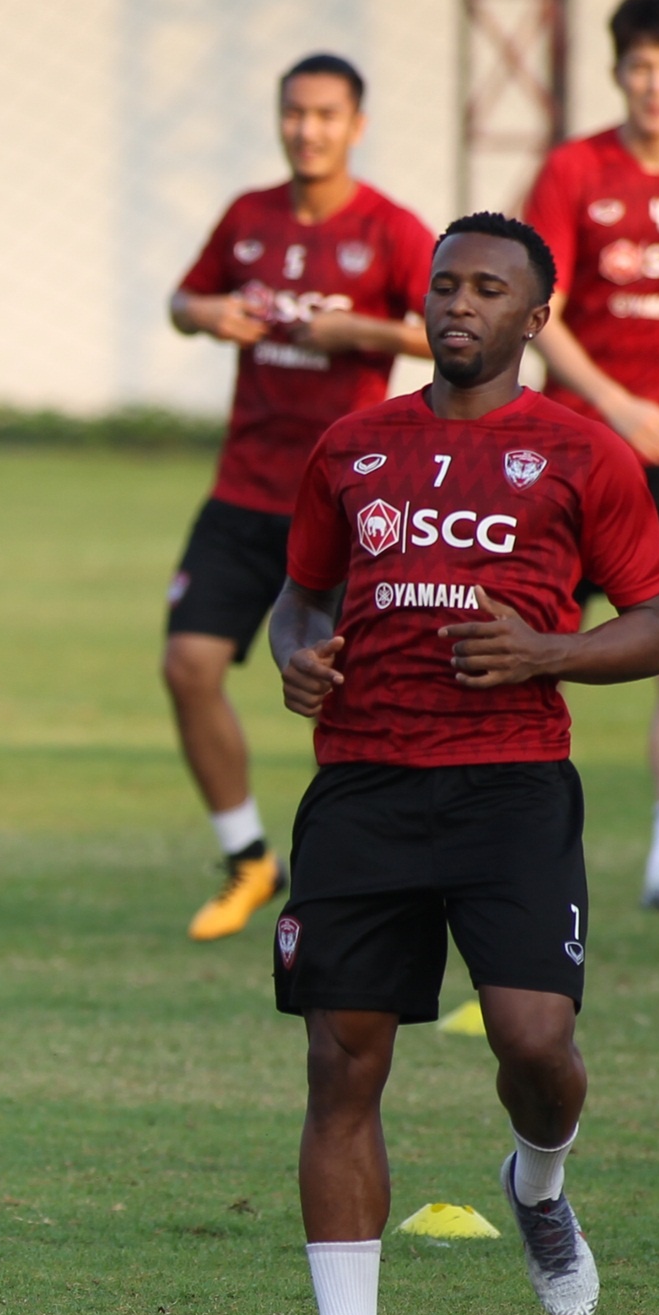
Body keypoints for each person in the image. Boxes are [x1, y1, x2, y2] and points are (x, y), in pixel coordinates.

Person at [265, 212, 659, 1315]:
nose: (458, 304)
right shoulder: (351, 445)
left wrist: (547, 651)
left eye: (488, 289)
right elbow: (299, 597)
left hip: (509, 786)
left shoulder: (579, 453)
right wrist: (297, 656)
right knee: (341, 1064)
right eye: (445, 285)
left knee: (533, 1045)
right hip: (361, 787)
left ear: (534, 318)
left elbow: (656, 626)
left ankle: (536, 1184)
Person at [167, 53, 434, 942]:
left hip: (350, 502)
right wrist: (205, 314)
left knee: (362, 699)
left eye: (325, 114)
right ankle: (248, 858)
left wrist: (358, 330)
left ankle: (372, 879)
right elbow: (183, 299)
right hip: (244, 492)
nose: (307, 129)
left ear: (357, 125)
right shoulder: (249, 216)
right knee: (188, 666)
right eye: (294, 113)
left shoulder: (390, 228)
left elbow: (452, 331)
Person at [523, 0, 659, 906]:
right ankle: (491, 821)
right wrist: (616, 405)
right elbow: (538, 309)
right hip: (575, 452)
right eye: (641, 67)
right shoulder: (576, 170)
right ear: (617, 72)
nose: (656, 85)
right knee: (524, 642)